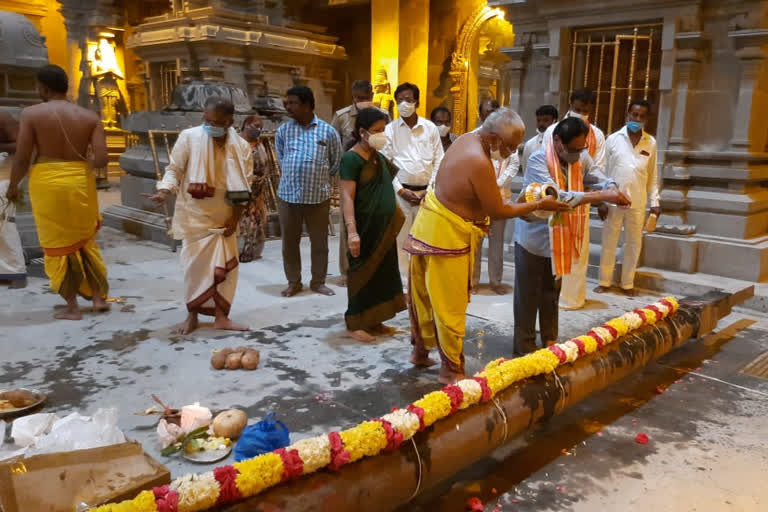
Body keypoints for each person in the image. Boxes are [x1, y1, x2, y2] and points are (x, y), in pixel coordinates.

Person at [407, 108, 570, 384]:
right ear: (493, 138)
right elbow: (498, 210)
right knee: (449, 306)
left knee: (424, 297)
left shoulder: (466, 140)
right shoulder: (479, 160)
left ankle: (420, 353)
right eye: (508, 146)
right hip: (445, 236)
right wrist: (540, 204)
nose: (510, 153)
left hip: (429, 228)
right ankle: (451, 370)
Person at [513, 117, 630, 355]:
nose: (578, 155)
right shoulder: (538, 159)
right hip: (534, 240)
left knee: (551, 295)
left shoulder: (579, 155)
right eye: (573, 150)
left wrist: (611, 186)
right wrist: (601, 197)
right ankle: (523, 349)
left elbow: (595, 174)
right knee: (528, 297)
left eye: (581, 149)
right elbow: (558, 198)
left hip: (560, 239)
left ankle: (549, 342)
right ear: (557, 142)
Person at [8, 65, 109, 320]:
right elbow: (102, 159)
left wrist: (12, 187)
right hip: (80, 181)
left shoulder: (32, 114)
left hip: (47, 181)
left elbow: (21, 158)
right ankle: (97, 298)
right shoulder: (89, 116)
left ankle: (72, 307)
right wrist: (79, 168)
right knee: (84, 241)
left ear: (43, 86)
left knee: (57, 246)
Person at [146, 97, 253, 334]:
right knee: (193, 270)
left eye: (215, 121)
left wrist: (234, 220)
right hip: (194, 217)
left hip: (225, 218)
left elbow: (245, 186)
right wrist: (164, 190)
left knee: (227, 273)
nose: (209, 124)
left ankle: (221, 318)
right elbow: (174, 169)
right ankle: (191, 317)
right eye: (206, 119)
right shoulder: (189, 137)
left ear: (229, 122)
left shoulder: (242, 147)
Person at [340, 108, 406, 342]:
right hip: (363, 228)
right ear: (362, 132)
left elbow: (390, 183)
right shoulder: (351, 158)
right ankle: (355, 323)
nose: (382, 135)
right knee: (361, 274)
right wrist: (352, 232)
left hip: (383, 229)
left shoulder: (378, 158)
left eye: (383, 130)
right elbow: (347, 196)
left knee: (382, 274)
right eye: (377, 131)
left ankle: (374, 320)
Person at [275, 85, 342, 297]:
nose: (288, 106)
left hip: (318, 198)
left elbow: (335, 162)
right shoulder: (283, 131)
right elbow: (282, 159)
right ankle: (294, 282)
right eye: (287, 102)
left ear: (306, 105)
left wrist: (320, 180)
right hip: (288, 197)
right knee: (289, 243)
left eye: (292, 102)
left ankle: (318, 282)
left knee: (320, 243)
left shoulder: (328, 131)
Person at [596, 100, 660, 296]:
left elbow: (652, 176)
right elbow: (601, 171)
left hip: (638, 203)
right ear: (627, 115)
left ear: (646, 119)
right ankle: (605, 281)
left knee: (633, 244)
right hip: (614, 201)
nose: (637, 119)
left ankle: (627, 284)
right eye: (634, 115)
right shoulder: (613, 139)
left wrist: (655, 202)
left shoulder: (651, 143)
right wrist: (602, 200)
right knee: (609, 241)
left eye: (641, 116)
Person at [331, 80, 390, 286]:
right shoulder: (341, 117)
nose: (364, 102)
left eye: (367, 97)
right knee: (350, 224)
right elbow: (334, 143)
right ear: (353, 97)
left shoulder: (383, 115)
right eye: (360, 98)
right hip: (352, 172)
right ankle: (347, 272)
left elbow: (386, 144)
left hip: (374, 169)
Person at [382, 82, 444, 276]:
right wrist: (400, 190)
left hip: (426, 194)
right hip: (401, 193)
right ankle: (403, 282)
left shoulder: (430, 128)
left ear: (416, 101)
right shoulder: (390, 129)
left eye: (408, 100)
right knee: (401, 240)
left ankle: (420, 279)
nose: (404, 104)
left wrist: (429, 189)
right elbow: (386, 161)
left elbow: (439, 160)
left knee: (424, 239)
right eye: (399, 100)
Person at [557, 89, 607, 310]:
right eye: (577, 110)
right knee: (557, 249)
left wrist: (603, 193)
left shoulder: (597, 135)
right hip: (557, 200)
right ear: (570, 104)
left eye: (585, 111)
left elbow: (598, 168)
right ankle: (555, 297)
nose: (581, 114)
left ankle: (573, 298)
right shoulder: (555, 130)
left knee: (579, 251)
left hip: (582, 201)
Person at [469, 101, 519, 295]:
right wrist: (484, 187)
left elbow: (513, 163)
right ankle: (472, 281)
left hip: (500, 197)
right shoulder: (473, 137)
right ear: (480, 114)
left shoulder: (507, 135)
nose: (491, 116)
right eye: (487, 112)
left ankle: (495, 281)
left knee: (497, 243)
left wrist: (496, 184)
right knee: (475, 243)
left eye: (494, 112)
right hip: (477, 201)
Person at [237, 114, 271, 263]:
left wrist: (264, 177)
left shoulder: (259, 144)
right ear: (245, 125)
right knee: (242, 218)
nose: (258, 130)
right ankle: (240, 250)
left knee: (257, 219)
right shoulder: (236, 143)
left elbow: (267, 164)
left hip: (258, 189)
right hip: (240, 187)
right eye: (255, 126)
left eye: (260, 128)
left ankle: (253, 250)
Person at [0, 110, 26, 288]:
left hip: (7, 174)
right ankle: (5, 271)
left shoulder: (3, 116)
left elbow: (21, 145)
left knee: (4, 221)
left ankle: (17, 272)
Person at [521, 105, 558, 174]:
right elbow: (525, 169)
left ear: (554, 121)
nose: (541, 124)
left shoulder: (561, 143)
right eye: (538, 120)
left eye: (546, 120)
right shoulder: (530, 144)